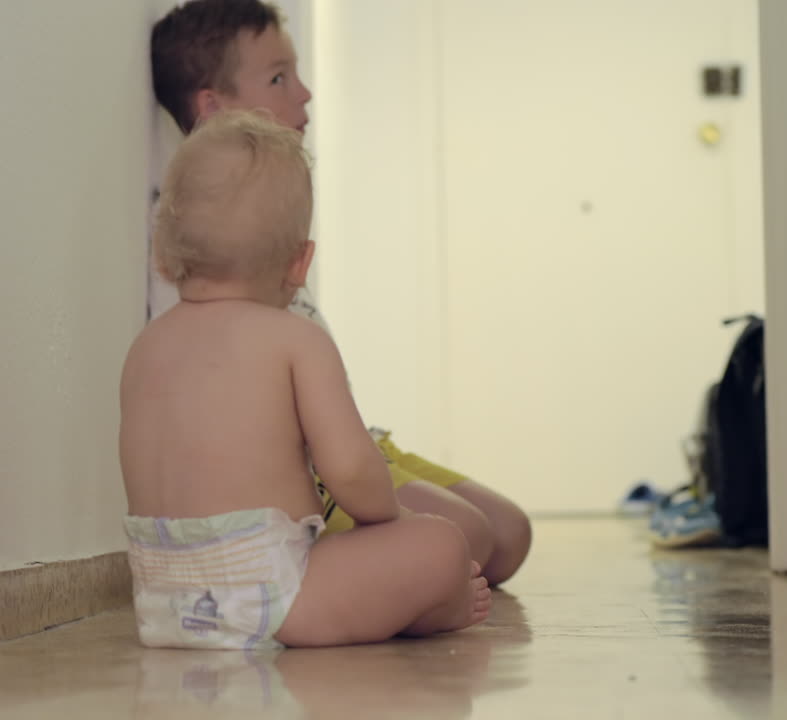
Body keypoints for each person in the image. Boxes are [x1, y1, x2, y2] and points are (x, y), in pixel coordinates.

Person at [149, 0, 531, 586]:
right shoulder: (193, 242)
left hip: (356, 443)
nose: (304, 95)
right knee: (469, 538)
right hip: (314, 465)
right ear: (212, 107)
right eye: (279, 77)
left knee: (509, 533)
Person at [120, 109, 491, 649]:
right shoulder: (295, 338)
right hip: (272, 596)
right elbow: (351, 471)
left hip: (162, 604)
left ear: (162, 253)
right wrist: (388, 519)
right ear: (300, 264)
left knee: (407, 548)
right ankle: (436, 607)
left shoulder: (145, 347)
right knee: (440, 543)